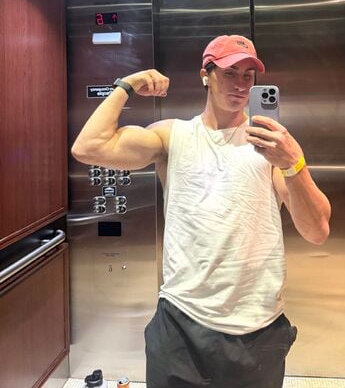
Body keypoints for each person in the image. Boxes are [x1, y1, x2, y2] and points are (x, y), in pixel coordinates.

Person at [71, 34, 331, 388]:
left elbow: (317, 231)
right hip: (180, 323)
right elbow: (88, 147)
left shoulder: (271, 146)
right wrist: (126, 85)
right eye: (229, 73)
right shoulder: (172, 136)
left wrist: (293, 163)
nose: (240, 84)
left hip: (257, 326)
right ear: (205, 75)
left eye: (248, 75)